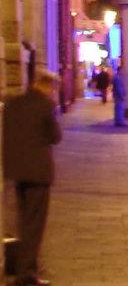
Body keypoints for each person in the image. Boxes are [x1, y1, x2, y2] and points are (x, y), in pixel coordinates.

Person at [3, 70, 62, 286]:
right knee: (34, 225)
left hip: (17, 171)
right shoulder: (46, 106)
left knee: (23, 221)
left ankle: (26, 268)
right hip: (38, 173)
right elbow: (56, 137)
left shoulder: (13, 103)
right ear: (48, 87)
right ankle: (25, 274)